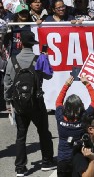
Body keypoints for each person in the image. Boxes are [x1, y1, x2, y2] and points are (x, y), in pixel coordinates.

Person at [3, 30, 57, 177]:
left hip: (19, 103)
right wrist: (45, 60)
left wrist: (9, 101)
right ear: (33, 44)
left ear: (20, 44)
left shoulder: (12, 60)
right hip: (37, 102)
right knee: (44, 132)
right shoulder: (39, 58)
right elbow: (49, 75)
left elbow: (7, 83)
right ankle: (47, 161)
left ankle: (20, 167)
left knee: (21, 135)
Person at [55, 74, 94, 177]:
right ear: (81, 106)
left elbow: (58, 101)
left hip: (62, 159)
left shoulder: (60, 115)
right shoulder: (83, 118)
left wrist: (66, 85)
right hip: (78, 159)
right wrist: (87, 83)